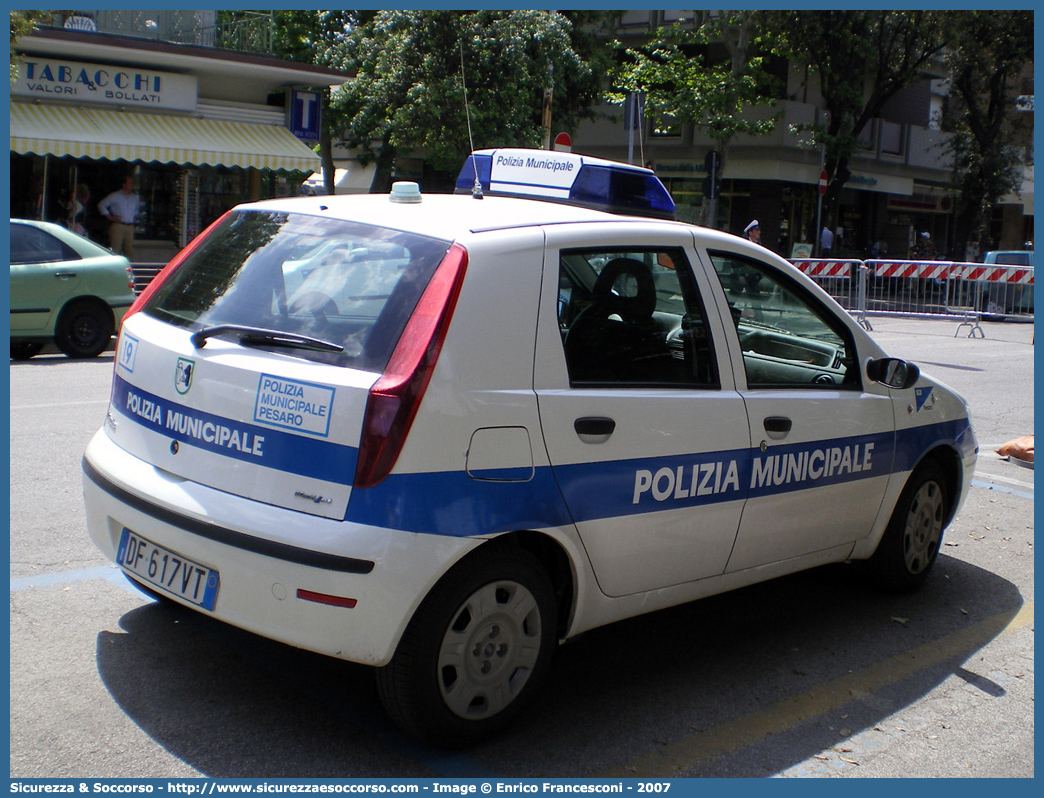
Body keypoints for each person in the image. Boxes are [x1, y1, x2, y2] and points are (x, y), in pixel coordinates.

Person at [98, 175, 140, 260]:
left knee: (129, 251)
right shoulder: (115, 196)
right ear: (124, 185)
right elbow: (101, 205)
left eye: (132, 183)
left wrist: (134, 217)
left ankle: (128, 270)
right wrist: (110, 217)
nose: (132, 185)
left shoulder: (134, 197)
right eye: (130, 183)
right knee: (115, 250)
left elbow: (136, 209)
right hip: (118, 225)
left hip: (130, 226)